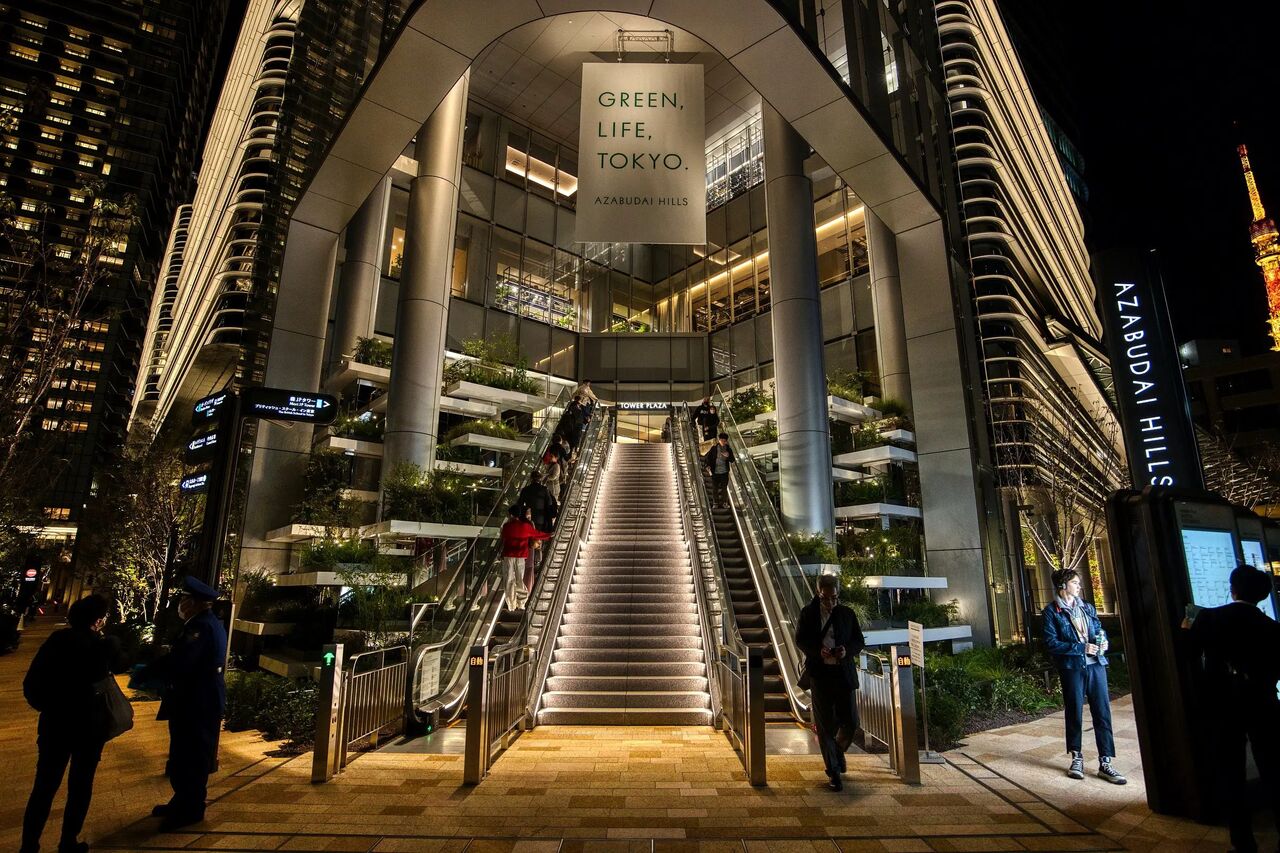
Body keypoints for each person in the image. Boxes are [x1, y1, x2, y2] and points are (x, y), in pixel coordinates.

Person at [1185, 564, 1280, 853]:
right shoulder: (1271, 628)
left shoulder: (1209, 618)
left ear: (1233, 589)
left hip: (1223, 705)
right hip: (1263, 703)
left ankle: (1243, 842)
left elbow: (1188, 652)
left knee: (1231, 774)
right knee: (1273, 769)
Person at [21, 594, 127, 853]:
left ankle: (29, 845)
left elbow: (31, 684)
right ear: (98, 620)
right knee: (80, 785)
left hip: (55, 725)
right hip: (89, 728)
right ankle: (68, 841)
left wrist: (50, 707)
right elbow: (122, 664)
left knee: (44, 787)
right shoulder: (100, 646)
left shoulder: (57, 641)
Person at [147, 576, 228, 831]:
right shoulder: (205, 623)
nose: (180, 605)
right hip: (197, 697)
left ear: (193, 602)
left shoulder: (201, 627)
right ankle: (181, 801)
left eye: (183, 600)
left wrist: (153, 671)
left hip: (197, 699)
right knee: (185, 752)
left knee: (191, 754)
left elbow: (183, 661)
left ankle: (190, 808)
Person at [1042, 568, 1126, 785]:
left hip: (1096, 665)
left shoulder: (1087, 607)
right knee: (1074, 712)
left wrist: (1102, 641)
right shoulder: (1051, 612)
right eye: (1075, 583)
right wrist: (1081, 648)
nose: (1079, 586)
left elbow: (1098, 629)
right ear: (1063, 586)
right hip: (1072, 668)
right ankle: (1076, 757)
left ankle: (1105, 762)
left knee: (1102, 712)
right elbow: (1051, 643)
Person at [795, 572, 864, 791]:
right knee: (824, 727)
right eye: (825, 598)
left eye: (834, 598)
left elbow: (858, 640)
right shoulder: (808, 613)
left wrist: (846, 651)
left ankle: (837, 752)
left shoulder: (846, 613)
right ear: (818, 593)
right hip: (820, 675)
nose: (830, 603)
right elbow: (800, 639)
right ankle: (833, 772)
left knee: (851, 722)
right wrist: (819, 651)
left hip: (843, 674)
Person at [499, 504, 550, 610]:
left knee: (509, 580)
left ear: (511, 515)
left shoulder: (507, 526)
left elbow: (503, 539)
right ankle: (521, 602)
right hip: (521, 557)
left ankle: (511, 605)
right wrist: (549, 535)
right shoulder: (525, 526)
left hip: (508, 556)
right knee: (519, 580)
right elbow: (537, 534)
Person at [702, 433, 736, 508]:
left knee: (724, 488)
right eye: (722, 440)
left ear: (726, 441)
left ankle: (724, 503)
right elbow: (708, 458)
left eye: (724, 441)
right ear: (719, 440)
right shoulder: (714, 448)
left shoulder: (728, 449)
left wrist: (728, 456)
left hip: (724, 472)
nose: (723, 442)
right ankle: (715, 503)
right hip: (715, 472)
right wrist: (707, 465)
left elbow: (732, 460)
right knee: (715, 488)